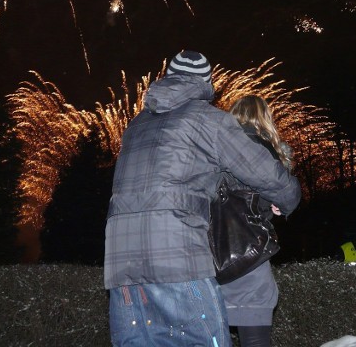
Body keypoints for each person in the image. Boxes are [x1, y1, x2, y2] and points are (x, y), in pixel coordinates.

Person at [104, 51, 302, 347]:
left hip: (120, 260)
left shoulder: (135, 126)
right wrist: (288, 199)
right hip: (177, 253)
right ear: (206, 83)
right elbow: (267, 175)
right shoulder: (208, 121)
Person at [219, 95, 298, 347]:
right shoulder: (261, 149)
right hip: (249, 248)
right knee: (254, 316)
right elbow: (279, 189)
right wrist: (277, 205)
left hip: (210, 252)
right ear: (264, 117)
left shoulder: (213, 150)